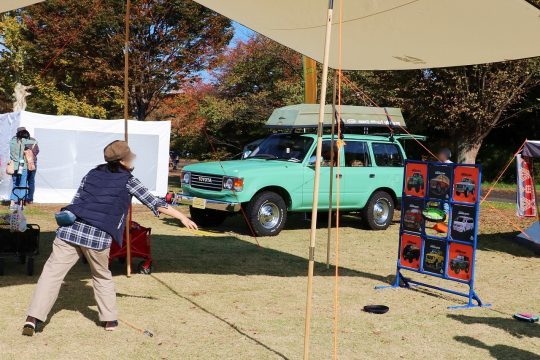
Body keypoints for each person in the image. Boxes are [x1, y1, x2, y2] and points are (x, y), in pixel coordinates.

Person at [22, 140, 198, 336]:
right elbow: (155, 203)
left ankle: (32, 318)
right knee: (101, 276)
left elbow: (77, 200)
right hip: (97, 236)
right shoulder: (129, 181)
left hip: (70, 230)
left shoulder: (92, 173)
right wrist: (182, 216)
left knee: (51, 275)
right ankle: (109, 321)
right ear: (122, 161)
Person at [9, 127, 36, 209]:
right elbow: (35, 141)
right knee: (22, 184)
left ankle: (12, 203)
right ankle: (20, 204)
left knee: (14, 184)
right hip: (22, 165)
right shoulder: (24, 141)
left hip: (13, 165)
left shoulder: (12, 141)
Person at [25, 131, 39, 204]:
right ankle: (30, 199)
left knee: (23, 181)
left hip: (25, 164)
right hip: (33, 164)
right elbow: (37, 151)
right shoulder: (34, 140)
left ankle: (23, 198)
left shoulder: (22, 141)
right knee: (31, 182)